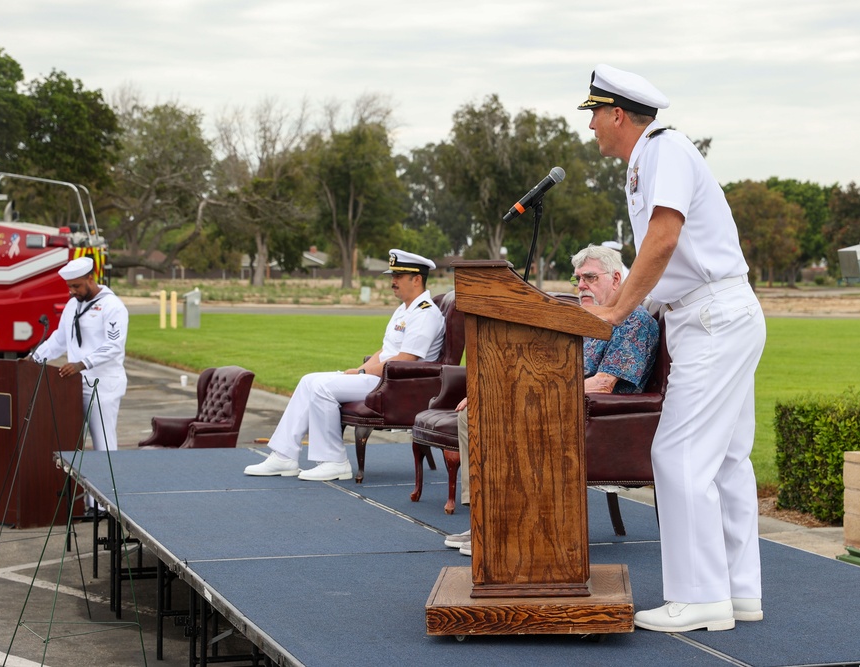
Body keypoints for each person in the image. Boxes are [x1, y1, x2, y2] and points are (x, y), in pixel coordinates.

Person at [578, 64, 767, 632]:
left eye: (592, 114)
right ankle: (738, 593)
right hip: (713, 316)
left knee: (677, 457)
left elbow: (663, 238)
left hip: (712, 316)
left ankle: (699, 596)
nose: (589, 127)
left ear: (617, 114)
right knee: (728, 461)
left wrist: (614, 312)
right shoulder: (648, 160)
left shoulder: (665, 150)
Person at [444, 244, 659, 554]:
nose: (582, 286)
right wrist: (497, 388)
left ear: (615, 278)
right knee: (476, 412)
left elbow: (604, 384)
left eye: (589, 278)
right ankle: (486, 517)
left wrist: (524, 395)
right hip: (562, 408)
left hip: (598, 423)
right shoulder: (587, 319)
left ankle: (498, 524)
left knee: (495, 415)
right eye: (578, 280)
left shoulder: (634, 323)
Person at [244, 249, 445, 481]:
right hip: (383, 378)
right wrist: (361, 370)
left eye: (398, 276)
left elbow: (405, 360)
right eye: (393, 276)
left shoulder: (425, 313)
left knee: (322, 388)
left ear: (417, 279)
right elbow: (385, 350)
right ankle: (284, 456)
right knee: (309, 380)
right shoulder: (405, 309)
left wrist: (362, 372)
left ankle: (334, 461)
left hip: (399, 385)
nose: (392, 281)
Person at [32, 256, 129, 455]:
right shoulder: (72, 305)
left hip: (103, 386)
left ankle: (110, 485)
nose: (72, 291)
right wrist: (33, 358)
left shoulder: (113, 306)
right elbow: (60, 339)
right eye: (69, 287)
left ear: (90, 279)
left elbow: (114, 345)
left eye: (76, 286)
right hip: (74, 385)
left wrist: (82, 364)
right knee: (70, 440)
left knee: (104, 444)